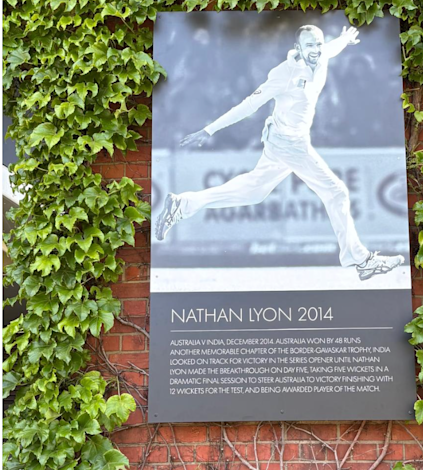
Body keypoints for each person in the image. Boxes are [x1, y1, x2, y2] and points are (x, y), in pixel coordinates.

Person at [155, 24, 404, 281]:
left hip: (286, 141)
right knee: (336, 191)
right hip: (289, 144)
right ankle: (360, 260)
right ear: (297, 48)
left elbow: (331, 48)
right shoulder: (283, 73)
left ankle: (182, 204)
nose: (316, 49)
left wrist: (343, 38)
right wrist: (209, 130)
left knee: (254, 191)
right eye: (309, 45)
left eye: (318, 43)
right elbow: (249, 104)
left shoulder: (321, 55)